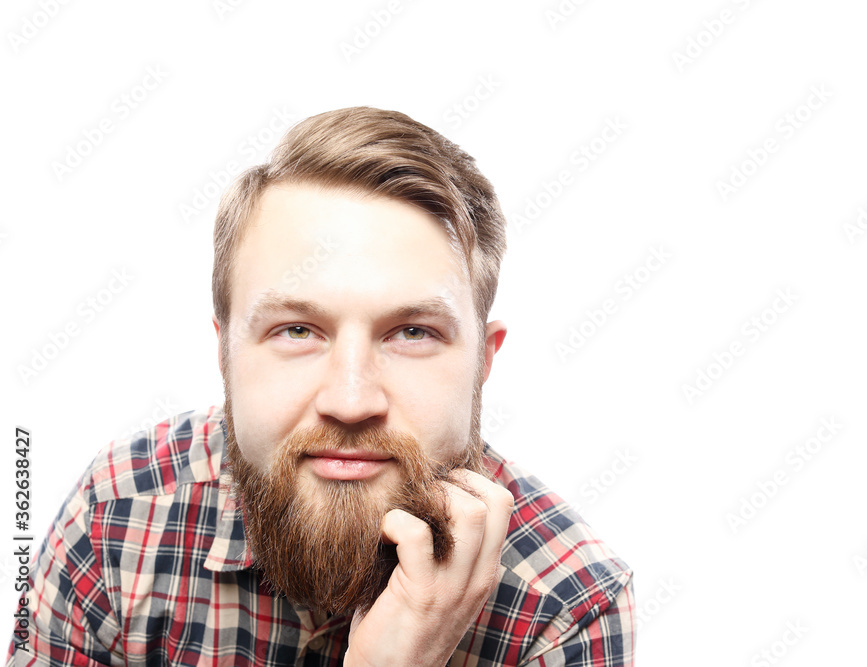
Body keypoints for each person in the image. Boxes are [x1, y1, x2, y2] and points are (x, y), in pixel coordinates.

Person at [8, 107, 634, 665]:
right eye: (298, 330)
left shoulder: (566, 610)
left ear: (485, 362)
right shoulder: (117, 512)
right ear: (224, 351)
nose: (350, 400)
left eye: (412, 332)